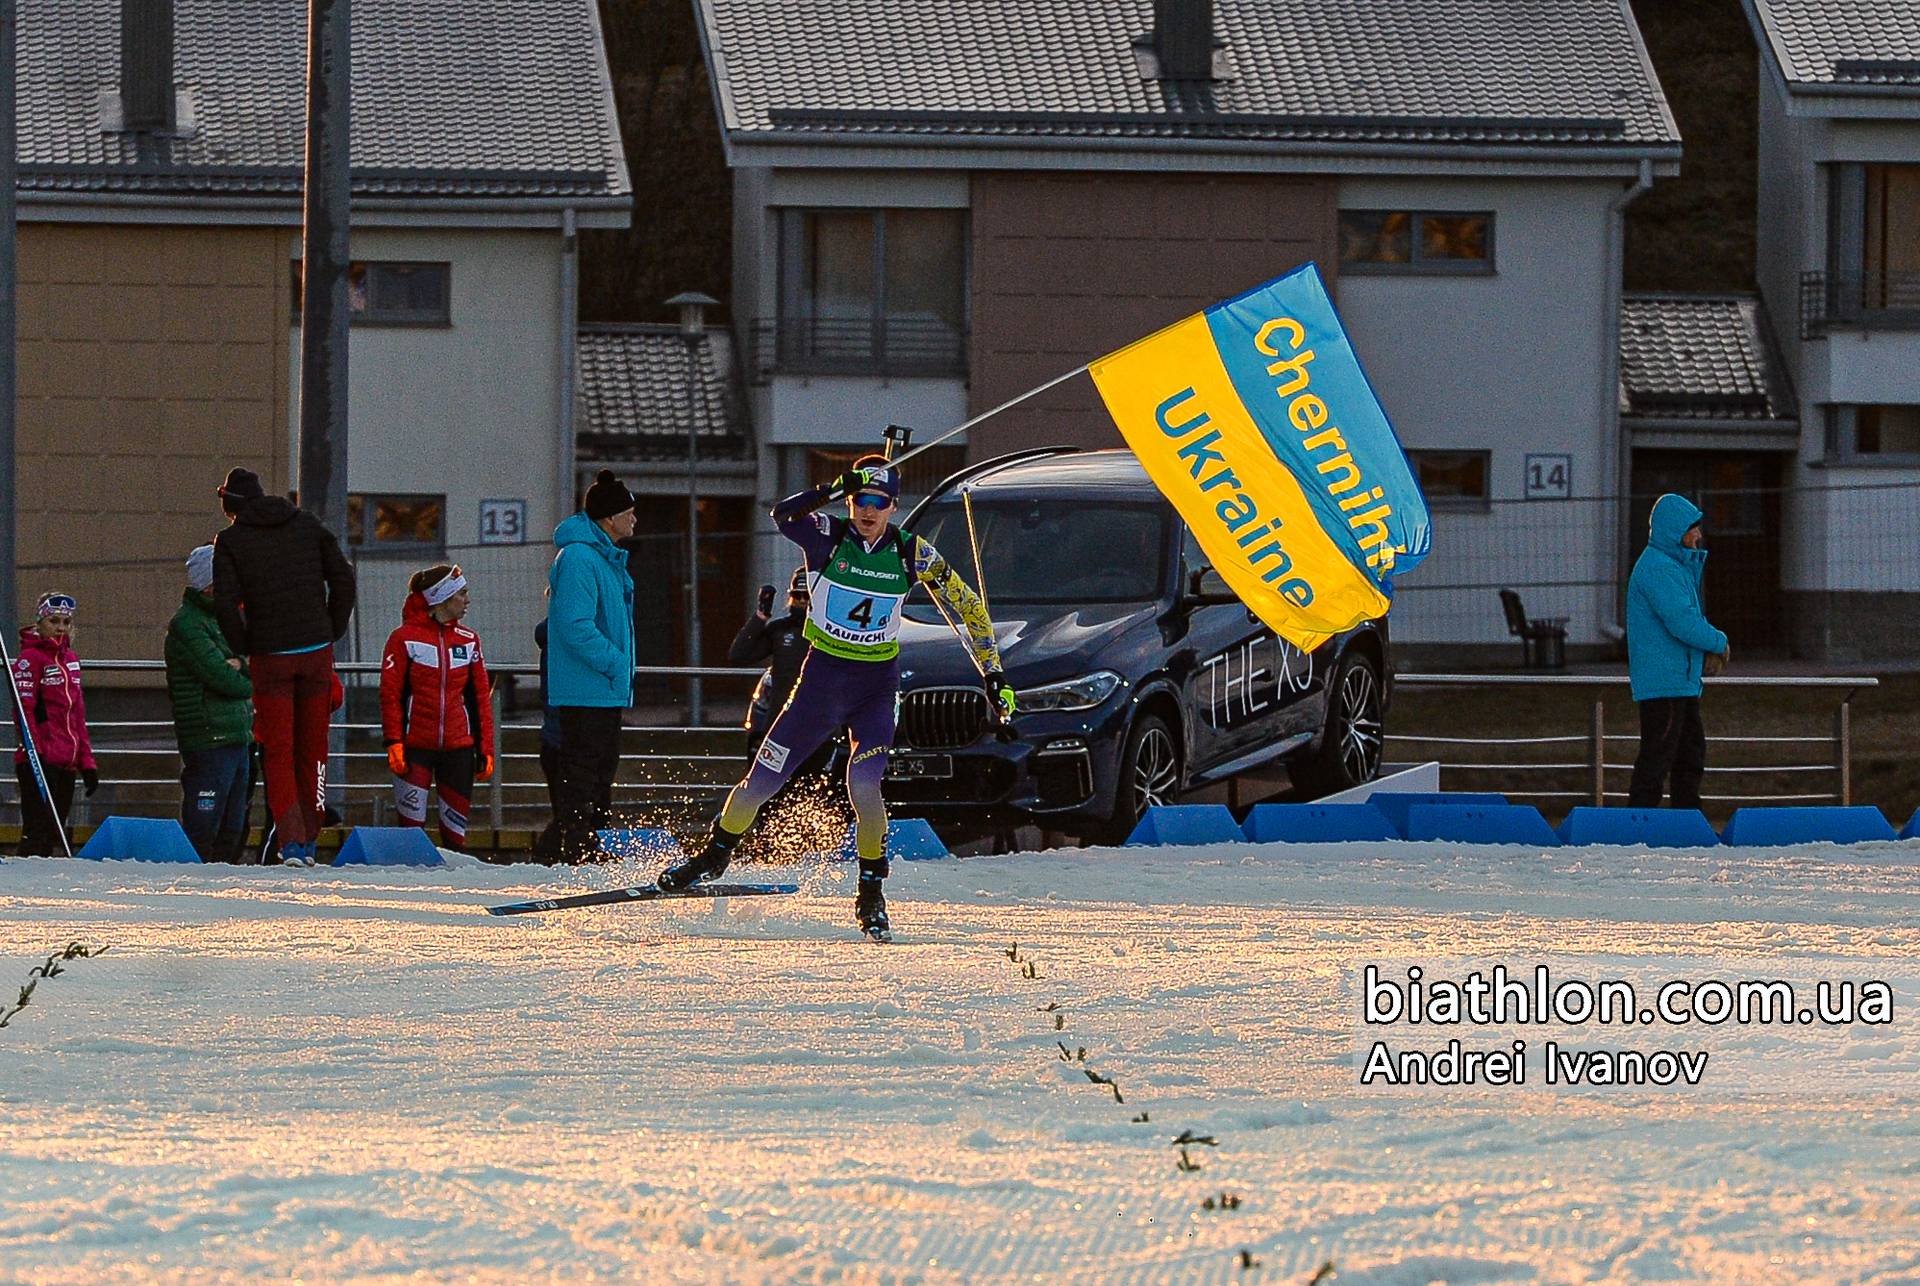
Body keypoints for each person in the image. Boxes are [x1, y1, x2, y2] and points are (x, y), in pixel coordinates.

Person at [658, 456, 1013, 940]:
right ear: (852, 502)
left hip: (874, 689)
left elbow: (970, 607)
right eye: (861, 501)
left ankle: (871, 892)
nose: (868, 511)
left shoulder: (913, 554)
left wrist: (994, 676)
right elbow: (783, 515)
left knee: (864, 787)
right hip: (820, 685)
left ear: (892, 506)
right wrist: (833, 486)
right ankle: (715, 856)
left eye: (879, 502)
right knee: (759, 782)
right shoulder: (828, 535)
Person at [210, 467, 356, 867]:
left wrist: (244, 646)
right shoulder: (307, 524)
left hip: (270, 656)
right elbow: (343, 579)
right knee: (315, 750)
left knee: (278, 751)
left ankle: (291, 842)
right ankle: (311, 837)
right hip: (316, 652)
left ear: (229, 505)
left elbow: (225, 603)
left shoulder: (231, 541)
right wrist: (330, 628)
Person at [538, 469, 637, 863]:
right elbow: (575, 625)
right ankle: (575, 850)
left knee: (598, 773)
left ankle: (576, 847)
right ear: (609, 518)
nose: (634, 519)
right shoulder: (581, 557)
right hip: (587, 688)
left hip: (601, 687)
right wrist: (617, 662)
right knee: (583, 773)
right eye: (629, 512)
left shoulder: (602, 558)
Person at [380, 564, 495, 851]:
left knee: (456, 839)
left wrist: (486, 748)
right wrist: (394, 742)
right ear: (442, 599)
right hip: (414, 747)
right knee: (411, 836)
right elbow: (390, 695)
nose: (467, 600)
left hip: (459, 749)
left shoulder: (469, 640)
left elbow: (480, 698)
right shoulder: (403, 639)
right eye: (462, 593)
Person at [1626, 493, 1730, 810]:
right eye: (1693, 527)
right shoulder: (1660, 569)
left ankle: (1683, 817)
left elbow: (1685, 619)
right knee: (1659, 755)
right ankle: (1642, 821)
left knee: (1688, 753)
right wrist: (1720, 642)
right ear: (1676, 530)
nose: (1699, 534)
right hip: (1665, 683)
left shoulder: (1671, 567)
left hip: (1678, 681)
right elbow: (1682, 622)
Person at [165, 545, 255, 861]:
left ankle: (223, 874)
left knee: (234, 821)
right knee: (207, 820)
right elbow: (223, 676)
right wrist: (243, 673)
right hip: (209, 736)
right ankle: (197, 875)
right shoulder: (188, 625)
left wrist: (240, 665)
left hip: (236, 734)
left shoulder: (221, 620)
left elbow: (245, 662)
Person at [10, 592, 99, 856]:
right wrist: (35, 750)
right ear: (40, 623)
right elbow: (24, 710)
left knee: (56, 826)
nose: (60, 628)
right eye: (53, 621)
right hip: (40, 757)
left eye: (65, 622)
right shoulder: (31, 659)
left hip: (67, 758)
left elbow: (77, 715)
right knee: (37, 829)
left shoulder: (70, 660)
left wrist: (87, 762)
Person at [731, 566, 813, 750]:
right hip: (780, 717)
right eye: (797, 596)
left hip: (819, 718)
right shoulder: (780, 629)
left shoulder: (829, 633)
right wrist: (760, 617)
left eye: (807, 596)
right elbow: (739, 655)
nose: (801, 601)